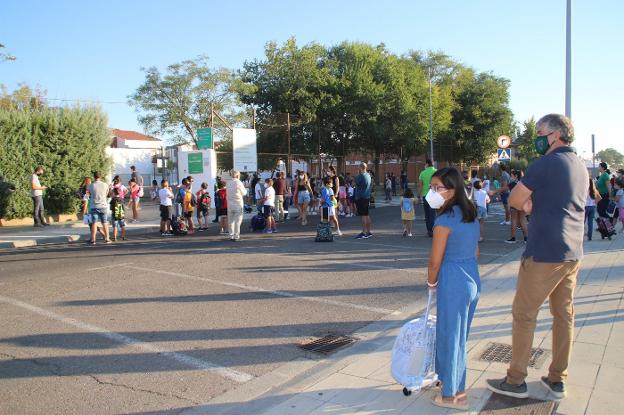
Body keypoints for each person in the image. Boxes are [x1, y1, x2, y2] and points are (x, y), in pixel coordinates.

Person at [487, 114, 588, 400]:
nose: (538, 136)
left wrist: (532, 207)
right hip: (572, 252)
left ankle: (516, 379)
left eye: (541, 131)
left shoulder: (544, 164)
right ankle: (558, 378)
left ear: (556, 134)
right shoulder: (580, 165)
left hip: (545, 251)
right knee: (563, 316)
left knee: (524, 315)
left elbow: (516, 200)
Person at [425, 167, 480, 410]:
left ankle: (454, 395)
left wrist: (431, 282)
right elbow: (476, 251)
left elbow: (434, 261)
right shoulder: (470, 214)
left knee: (451, 337)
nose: (432, 192)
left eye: (437, 188)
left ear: (452, 190)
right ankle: (447, 379)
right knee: (457, 336)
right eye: (431, 187)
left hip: (453, 280)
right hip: (471, 278)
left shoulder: (444, 220)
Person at [505, 170, 528, 244]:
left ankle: (513, 238)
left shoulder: (512, 184)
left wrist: (494, 192)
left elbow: (503, 189)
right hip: (523, 203)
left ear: (516, 176)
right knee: (523, 221)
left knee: (514, 220)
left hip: (514, 203)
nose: (511, 177)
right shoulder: (525, 183)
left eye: (512, 175)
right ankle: (526, 238)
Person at [87, 171, 110, 244]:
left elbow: (89, 194)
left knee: (94, 223)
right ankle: (107, 239)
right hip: (103, 205)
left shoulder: (90, 186)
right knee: (105, 223)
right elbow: (106, 194)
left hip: (94, 206)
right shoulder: (105, 185)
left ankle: (93, 239)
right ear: (100, 176)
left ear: (94, 177)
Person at [226, 170, 248, 241]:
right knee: (237, 221)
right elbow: (244, 193)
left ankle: (231, 235)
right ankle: (236, 236)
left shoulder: (228, 183)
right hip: (238, 204)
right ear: (238, 176)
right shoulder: (239, 182)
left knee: (230, 221)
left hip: (230, 204)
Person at [354, 162, 373, 239]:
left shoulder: (361, 176)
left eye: (359, 166)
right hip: (367, 196)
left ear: (361, 167)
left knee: (363, 216)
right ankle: (368, 231)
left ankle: (364, 232)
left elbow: (355, 183)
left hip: (361, 197)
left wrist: (357, 175)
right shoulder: (368, 175)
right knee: (367, 215)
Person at [419, 159, 437, 237]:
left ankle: (429, 230)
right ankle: (433, 229)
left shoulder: (422, 173)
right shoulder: (436, 172)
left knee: (427, 214)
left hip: (425, 195)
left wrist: (418, 195)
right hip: (434, 194)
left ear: (426, 164)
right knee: (433, 213)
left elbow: (420, 185)